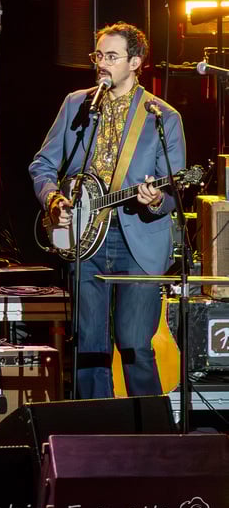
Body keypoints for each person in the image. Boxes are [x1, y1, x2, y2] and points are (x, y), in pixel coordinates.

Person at [30, 22, 184, 399]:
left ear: (135, 62)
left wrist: (155, 200)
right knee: (88, 346)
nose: (102, 63)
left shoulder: (162, 116)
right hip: (85, 239)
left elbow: (175, 190)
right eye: (98, 55)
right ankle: (92, 434)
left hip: (137, 241)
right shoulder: (76, 103)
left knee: (134, 345)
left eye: (111, 56)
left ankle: (148, 434)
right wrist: (54, 200)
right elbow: (42, 164)